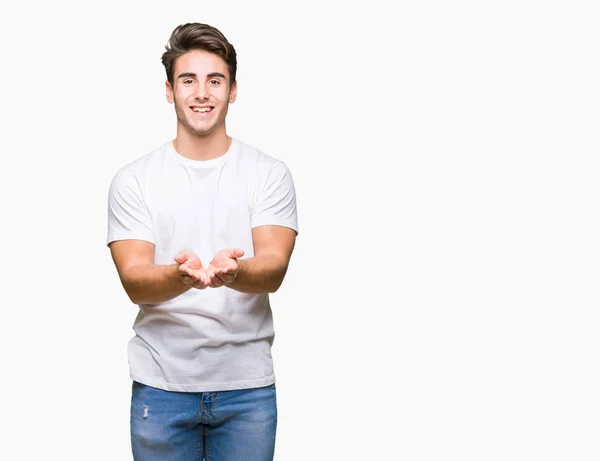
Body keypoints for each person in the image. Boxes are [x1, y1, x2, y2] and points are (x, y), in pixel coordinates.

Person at [106, 22, 298, 461]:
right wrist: (180, 278)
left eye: (215, 80)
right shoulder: (135, 179)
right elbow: (134, 280)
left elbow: (274, 267)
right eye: (188, 80)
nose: (202, 92)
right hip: (162, 385)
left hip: (246, 391)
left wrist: (236, 271)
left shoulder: (268, 173)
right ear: (170, 90)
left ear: (232, 91)